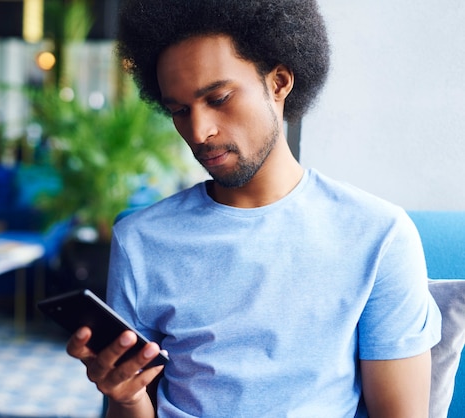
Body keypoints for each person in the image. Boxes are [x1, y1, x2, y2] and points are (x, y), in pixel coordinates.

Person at [66, 1, 442, 417]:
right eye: (179, 110)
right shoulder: (141, 240)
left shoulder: (378, 235)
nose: (199, 131)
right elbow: (134, 405)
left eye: (219, 98)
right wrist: (127, 398)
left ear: (279, 82)